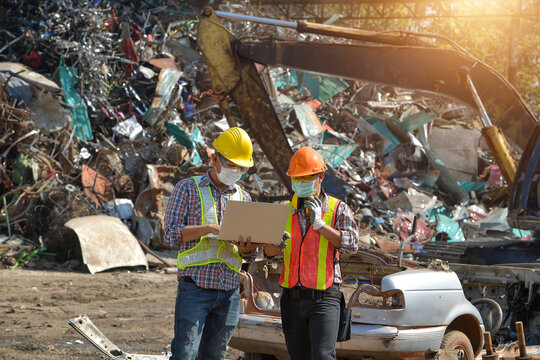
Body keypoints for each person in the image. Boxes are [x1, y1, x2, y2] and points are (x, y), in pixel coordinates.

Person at [164, 127, 258, 360]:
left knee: (215, 355)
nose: (236, 171)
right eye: (231, 165)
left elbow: (248, 255)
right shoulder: (188, 188)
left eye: (241, 167)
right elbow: (170, 233)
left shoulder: (244, 198)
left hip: (229, 291)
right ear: (214, 159)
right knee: (185, 353)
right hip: (195, 287)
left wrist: (247, 248)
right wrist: (209, 229)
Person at [266, 146, 359, 360]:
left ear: (320, 177)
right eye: (296, 178)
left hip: (324, 296)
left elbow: (352, 244)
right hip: (292, 297)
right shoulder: (284, 209)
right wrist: (275, 243)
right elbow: (268, 253)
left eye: (307, 177)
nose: (300, 183)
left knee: (323, 356)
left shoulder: (338, 209)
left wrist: (321, 225)